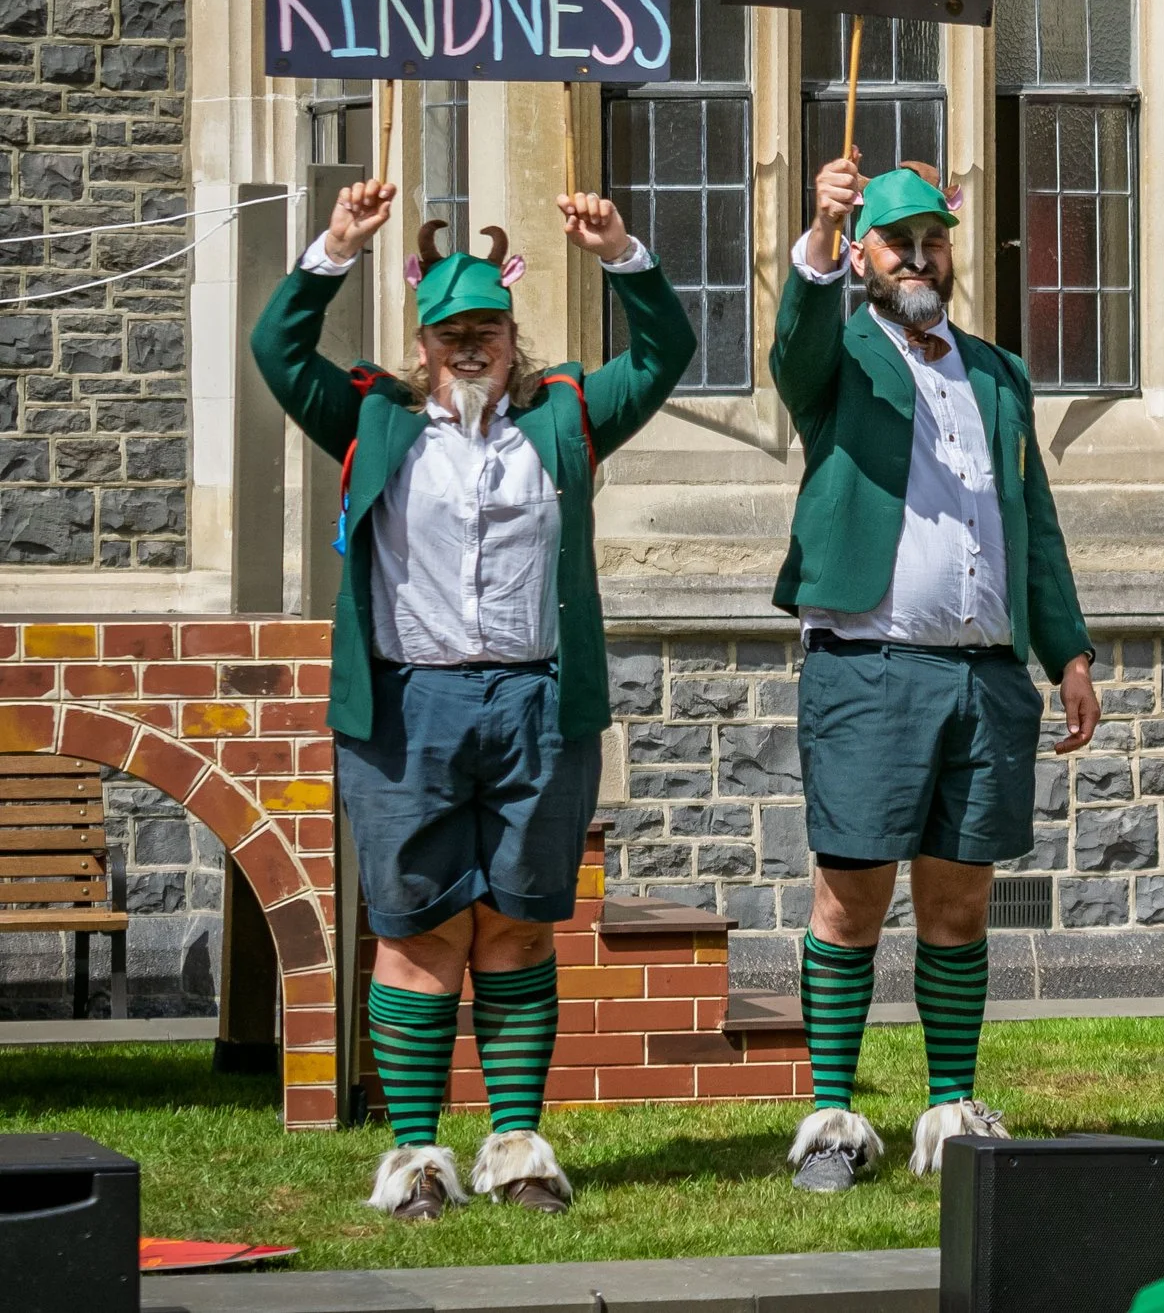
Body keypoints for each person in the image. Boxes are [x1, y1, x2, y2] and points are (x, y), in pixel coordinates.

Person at [251, 181, 695, 1221]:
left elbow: (665, 351)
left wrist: (622, 251)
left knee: (521, 926)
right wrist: (335, 247)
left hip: (540, 701)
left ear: (510, 334)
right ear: (422, 341)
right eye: (449, 331)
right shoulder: (372, 418)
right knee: (417, 928)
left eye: (484, 328)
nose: (467, 346)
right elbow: (277, 351)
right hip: (409, 707)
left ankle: (515, 1139)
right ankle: (413, 1155)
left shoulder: (570, 414)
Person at [771, 155, 1101, 1192]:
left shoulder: (997, 373)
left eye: (932, 238)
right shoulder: (841, 353)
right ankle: (831, 1115)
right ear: (865, 253)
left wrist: (1070, 649)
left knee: (960, 904)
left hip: (984, 674)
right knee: (851, 897)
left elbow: (1033, 520)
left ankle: (950, 1106)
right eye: (895, 239)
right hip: (868, 667)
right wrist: (819, 240)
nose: (916, 255)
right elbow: (794, 343)